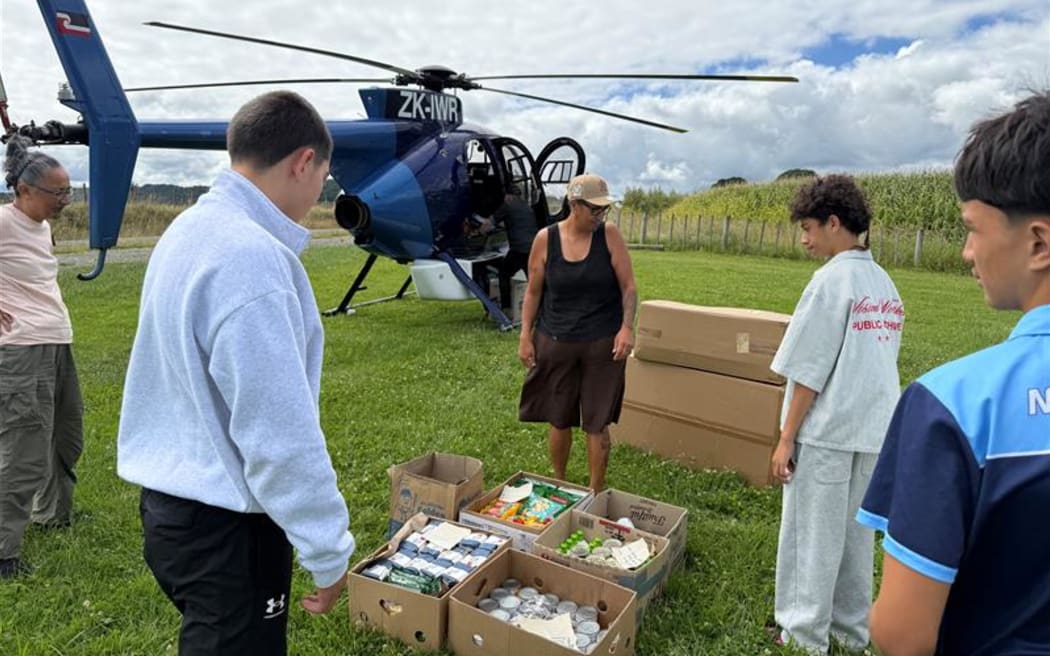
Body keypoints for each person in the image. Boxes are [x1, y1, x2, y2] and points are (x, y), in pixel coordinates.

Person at [117, 91, 355, 654]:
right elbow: (277, 430)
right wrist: (327, 550)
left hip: (171, 507)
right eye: (324, 175)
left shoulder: (189, 229)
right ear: (302, 162)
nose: (321, 188)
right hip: (224, 526)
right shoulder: (252, 258)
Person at [858, 93, 1050, 655]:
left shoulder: (954, 404)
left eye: (973, 228)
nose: (967, 252)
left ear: (1039, 242)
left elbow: (902, 635)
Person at [768, 175, 904, 653]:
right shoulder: (882, 283)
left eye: (807, 227)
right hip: (871, 430)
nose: (804, 239)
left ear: (833, 222)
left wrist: (787, 438)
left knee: (811, 535)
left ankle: (804, 633)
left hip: (825, 432)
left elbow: (808, 369)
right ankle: (851, 627)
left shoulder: (830, 282)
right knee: (853, 537)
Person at [517, 173, 636, 492]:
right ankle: (561, 485)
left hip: (603, 343)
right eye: (595, 209)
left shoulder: (609, 236)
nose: (600, 215)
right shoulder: (546, 239)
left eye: (604, 209)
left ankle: (595, 492)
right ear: (574, 204)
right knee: (559, 417)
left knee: (596, 423)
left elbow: (628, 286)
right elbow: (533, 292)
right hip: (555, 340)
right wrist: (525, 334)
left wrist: (626, 327)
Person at [0, 137, 84, 580]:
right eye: (58, 193)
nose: (64, 201)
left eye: (68, 191)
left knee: (64, 437)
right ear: (25, 189)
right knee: (23, 448)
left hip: (55, 341)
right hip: (20, 350)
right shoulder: (4, 221)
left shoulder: (41, 228)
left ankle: (53, 514)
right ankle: (3, 551)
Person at [490, 184, 538, 313]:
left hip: (519, 250)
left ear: (508, 196)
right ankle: (539, 311)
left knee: (503, 274)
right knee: (533, 281)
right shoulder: (527, 207)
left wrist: (477, 230)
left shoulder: (507, 205)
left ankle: (506, 308)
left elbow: (488, 225)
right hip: (532, 249)